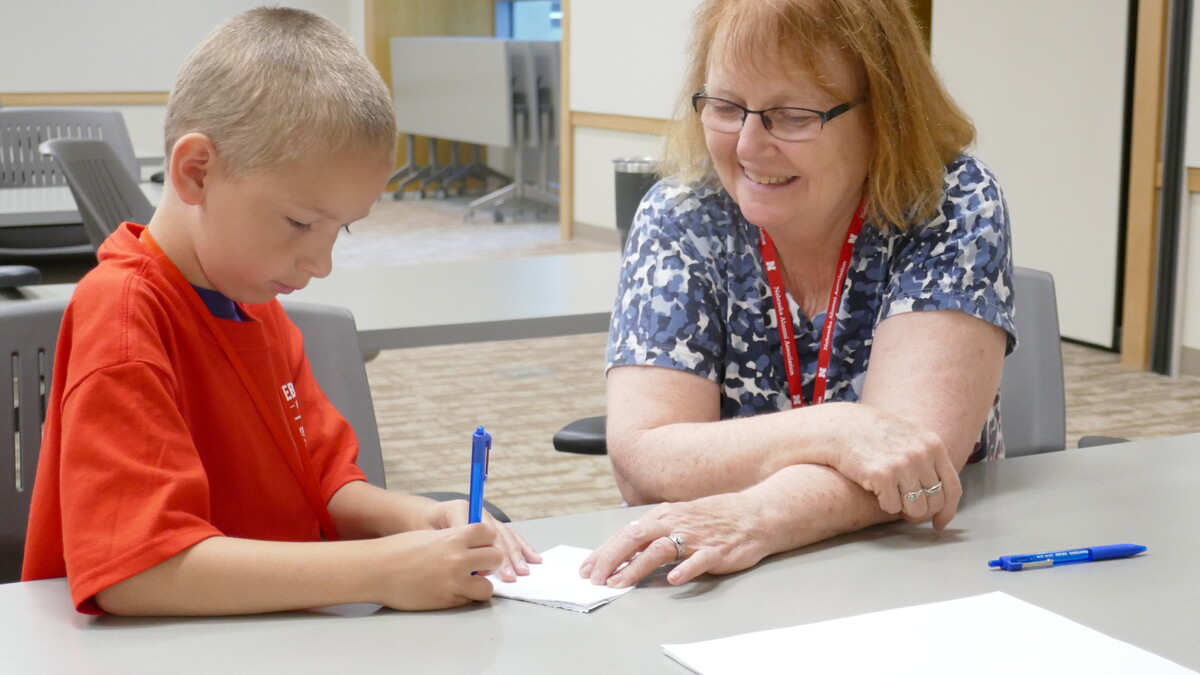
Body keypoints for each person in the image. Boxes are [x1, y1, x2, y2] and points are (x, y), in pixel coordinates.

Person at [22, 7, 538, 616]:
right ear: (197, 172)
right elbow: (139, 572)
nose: (319, 263)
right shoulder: (125, 316)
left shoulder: (253, 301)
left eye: (339, 230)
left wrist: (420, 519)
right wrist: (381, 569)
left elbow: (325, 483)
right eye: (298, 223)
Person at [581, 0, 1015, 589]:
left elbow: (914, 461)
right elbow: (644, 460)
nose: (749, 146)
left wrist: (752, 515)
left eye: (790, 116)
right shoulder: (680, 215)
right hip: (733, 581)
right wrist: (836, 431)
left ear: (882, 112)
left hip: (918, 566)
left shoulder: (949, 202)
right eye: (727, 108)